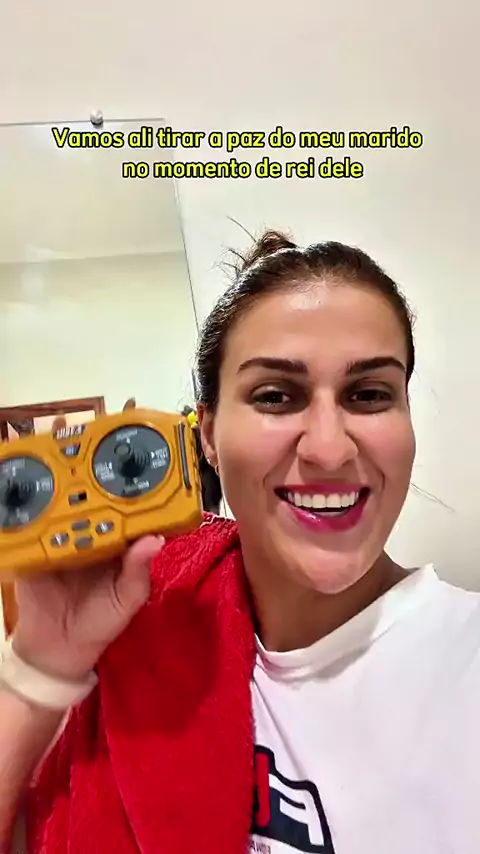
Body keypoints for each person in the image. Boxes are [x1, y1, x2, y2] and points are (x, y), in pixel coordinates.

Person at [1, 230, 480, 854]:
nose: (329, 449)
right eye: (276, 396)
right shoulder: (137, 637)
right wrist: (43, 663)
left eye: (369, 395)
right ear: (206, 435)